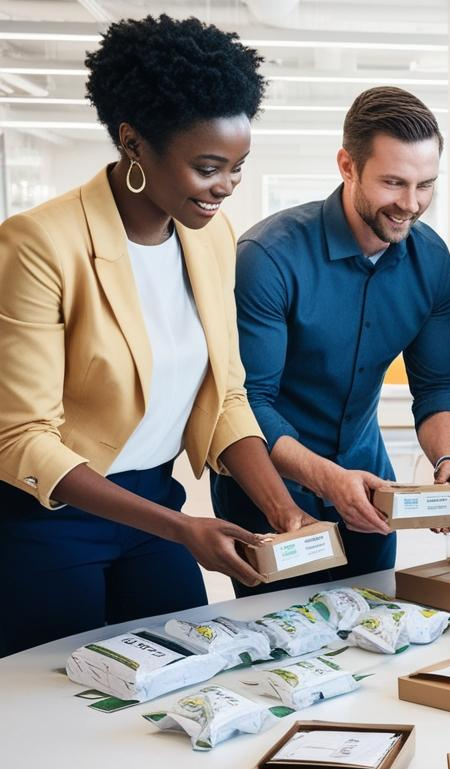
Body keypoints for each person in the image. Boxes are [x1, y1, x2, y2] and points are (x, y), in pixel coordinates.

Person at [0, 16, 313, 656]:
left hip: (156, 503)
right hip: (51, 519)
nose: (225, 186)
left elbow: (226, 397)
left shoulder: (214, 238)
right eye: (207, 167)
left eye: (237, 167)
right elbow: (20, 438)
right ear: (134, 143)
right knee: (62, 712)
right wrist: (181, 527)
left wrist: (284, 512)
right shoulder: (39, 244)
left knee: (184, 685)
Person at [211, 86, 450, 593]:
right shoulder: (267, 258)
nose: (411, 205)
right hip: (270, 491)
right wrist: (327, 479)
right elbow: (247, 402)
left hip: (370, 484)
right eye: (393, 183)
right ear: (347, 166)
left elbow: (438, 384)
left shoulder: (432, 261)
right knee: (282, 648)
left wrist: (447, 461)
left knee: (374, 635)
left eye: (425, 185)